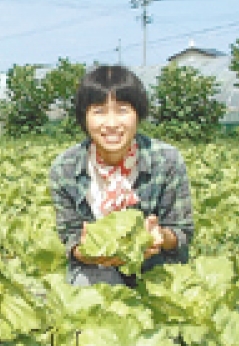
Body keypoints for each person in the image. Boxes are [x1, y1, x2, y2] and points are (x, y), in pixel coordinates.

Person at [49, 65, 193, 287]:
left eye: (122, 110)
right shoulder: (65, 168)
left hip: (155, 267)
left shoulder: (167, 160)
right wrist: (86, 251)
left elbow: (182, 232)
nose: (112, 123)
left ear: (138, 114)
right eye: (99, 111)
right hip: (97, 268)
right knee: (93, 289)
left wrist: (161, 237)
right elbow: (70, 237)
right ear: (84, 117)